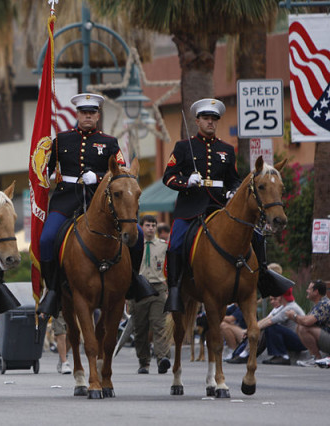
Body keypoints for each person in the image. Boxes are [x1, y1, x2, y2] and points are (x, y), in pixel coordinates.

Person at [37, 93, 154, 316]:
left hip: (101, 201)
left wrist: (99, 177)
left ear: (98, 115)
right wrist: (41, 166)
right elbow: (46, 170)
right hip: (66, 199)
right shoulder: (61, 139)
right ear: (77, 114)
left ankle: (134, 281)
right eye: (84, 112)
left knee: (136, 236)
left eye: (92, 112)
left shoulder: (109, 142)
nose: (88, 116)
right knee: (47, 239)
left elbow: (122, 172)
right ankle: (52, 291)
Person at [162, 99, 242, 313]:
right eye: (206, 118)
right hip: (190, 207)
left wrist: (234, 190)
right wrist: (186, 182)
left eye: (214, 119)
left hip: (219, 205)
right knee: (175, 243)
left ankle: (262, 276)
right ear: (197, 121)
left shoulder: (226, 149)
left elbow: (234, 179)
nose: (210, 122)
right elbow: (168, 177)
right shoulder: (183, 147)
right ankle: (176, 290)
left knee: (253, 234)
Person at [132, 215, 171, 374]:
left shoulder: (163, 246)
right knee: (140, 328)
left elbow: (168, 266)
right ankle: (144, 361)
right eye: (147, 225)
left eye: (153, 225)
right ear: (141, 227)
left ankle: (162, 358)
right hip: (139, 287)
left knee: (159, 325)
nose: (150, 228)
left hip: (157, 288)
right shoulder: (134, 245)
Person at [284, 280, 330, 367]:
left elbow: (307, 322)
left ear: (316, 292)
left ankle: (316, 359)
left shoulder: (325, 304)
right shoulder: (319, 304)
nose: (307, 291)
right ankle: (316, 359)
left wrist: (294, 316)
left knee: (303, 328)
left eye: (309, 289)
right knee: (300, 327)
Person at [260, 288, 306, 365]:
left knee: (272, 327)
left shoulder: (289, 308)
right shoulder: (286, 306)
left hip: (301, 342)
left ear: (281, 297)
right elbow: (269, 318)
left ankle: (283, 356)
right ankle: (277, 355)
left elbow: (270, 321)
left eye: (276, 297)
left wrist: (253, 330)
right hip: (297, 340)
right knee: (272, 327)